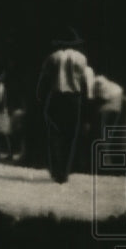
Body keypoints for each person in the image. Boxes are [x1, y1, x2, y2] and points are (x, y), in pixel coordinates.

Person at [37, 28, 91, 184]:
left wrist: (41, 96)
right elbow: (84, 82)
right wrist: (84, 100)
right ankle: (64, 172)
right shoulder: (81, 58)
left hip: (56, 98)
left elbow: (44, 80)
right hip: (73, 99)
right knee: (70, 136)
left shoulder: (53, 57)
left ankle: (56, 169)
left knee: (54, 134)